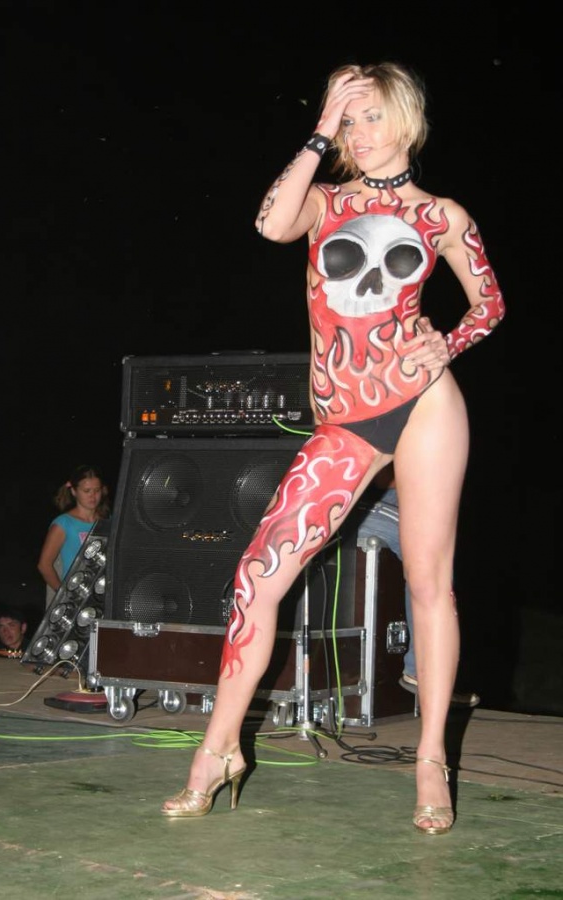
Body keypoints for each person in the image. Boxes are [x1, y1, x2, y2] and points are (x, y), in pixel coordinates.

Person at [162, 60, 505, 834]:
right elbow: (269, 225)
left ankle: (430, 762)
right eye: (349, 119)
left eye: (371, 115)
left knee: (430, 583)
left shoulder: (441, 215)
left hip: (424, 404)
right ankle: (219, 751)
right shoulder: (325, 200)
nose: (359, 131)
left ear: (406, 119)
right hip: (347, 420)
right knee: (258, 576)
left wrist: (447, 343)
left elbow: (489, 302)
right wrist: (319, 130)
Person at [357, 463, 480, 707]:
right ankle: (423, 673)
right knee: (431, 549)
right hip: (346, 506)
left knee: (433, 538)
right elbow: (381, 477)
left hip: (374, 502)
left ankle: (432, 675)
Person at [37, 464, 110, 605]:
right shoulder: (64, 523)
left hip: (103, 594)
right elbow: (44, 565)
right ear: (74, 491)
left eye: (97, 490)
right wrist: (64, 594)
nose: (93, 496)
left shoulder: (108, 521)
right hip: (76, 597)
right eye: (87, 491)